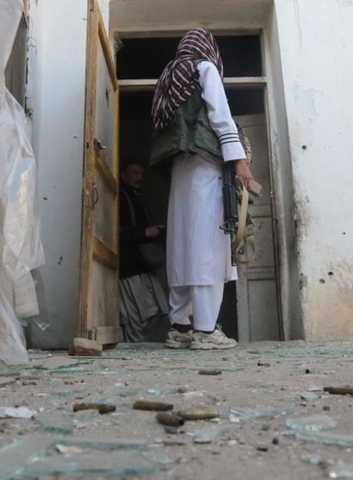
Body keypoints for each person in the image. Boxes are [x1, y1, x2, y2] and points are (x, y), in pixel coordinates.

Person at [149, 29, 254, 350]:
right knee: (208, 247)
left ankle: (181, 327)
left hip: (182, 168)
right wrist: (239, 161)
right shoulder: (203, 68)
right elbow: (220, 117)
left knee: (182, 246)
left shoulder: (169, 77)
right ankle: (206, 331)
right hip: (207, 164)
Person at [118, 160, 171, 343]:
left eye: (142, 174)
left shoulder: (135, 197)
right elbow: (111, 231)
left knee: (155, 312)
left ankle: (141, 349)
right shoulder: (118, 197)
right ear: (123, 174)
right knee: (136, 318)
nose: (140, 178)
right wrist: (144, 232)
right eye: (135, 173)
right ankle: (134, 352)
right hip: (129, 267)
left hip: (144, 266)